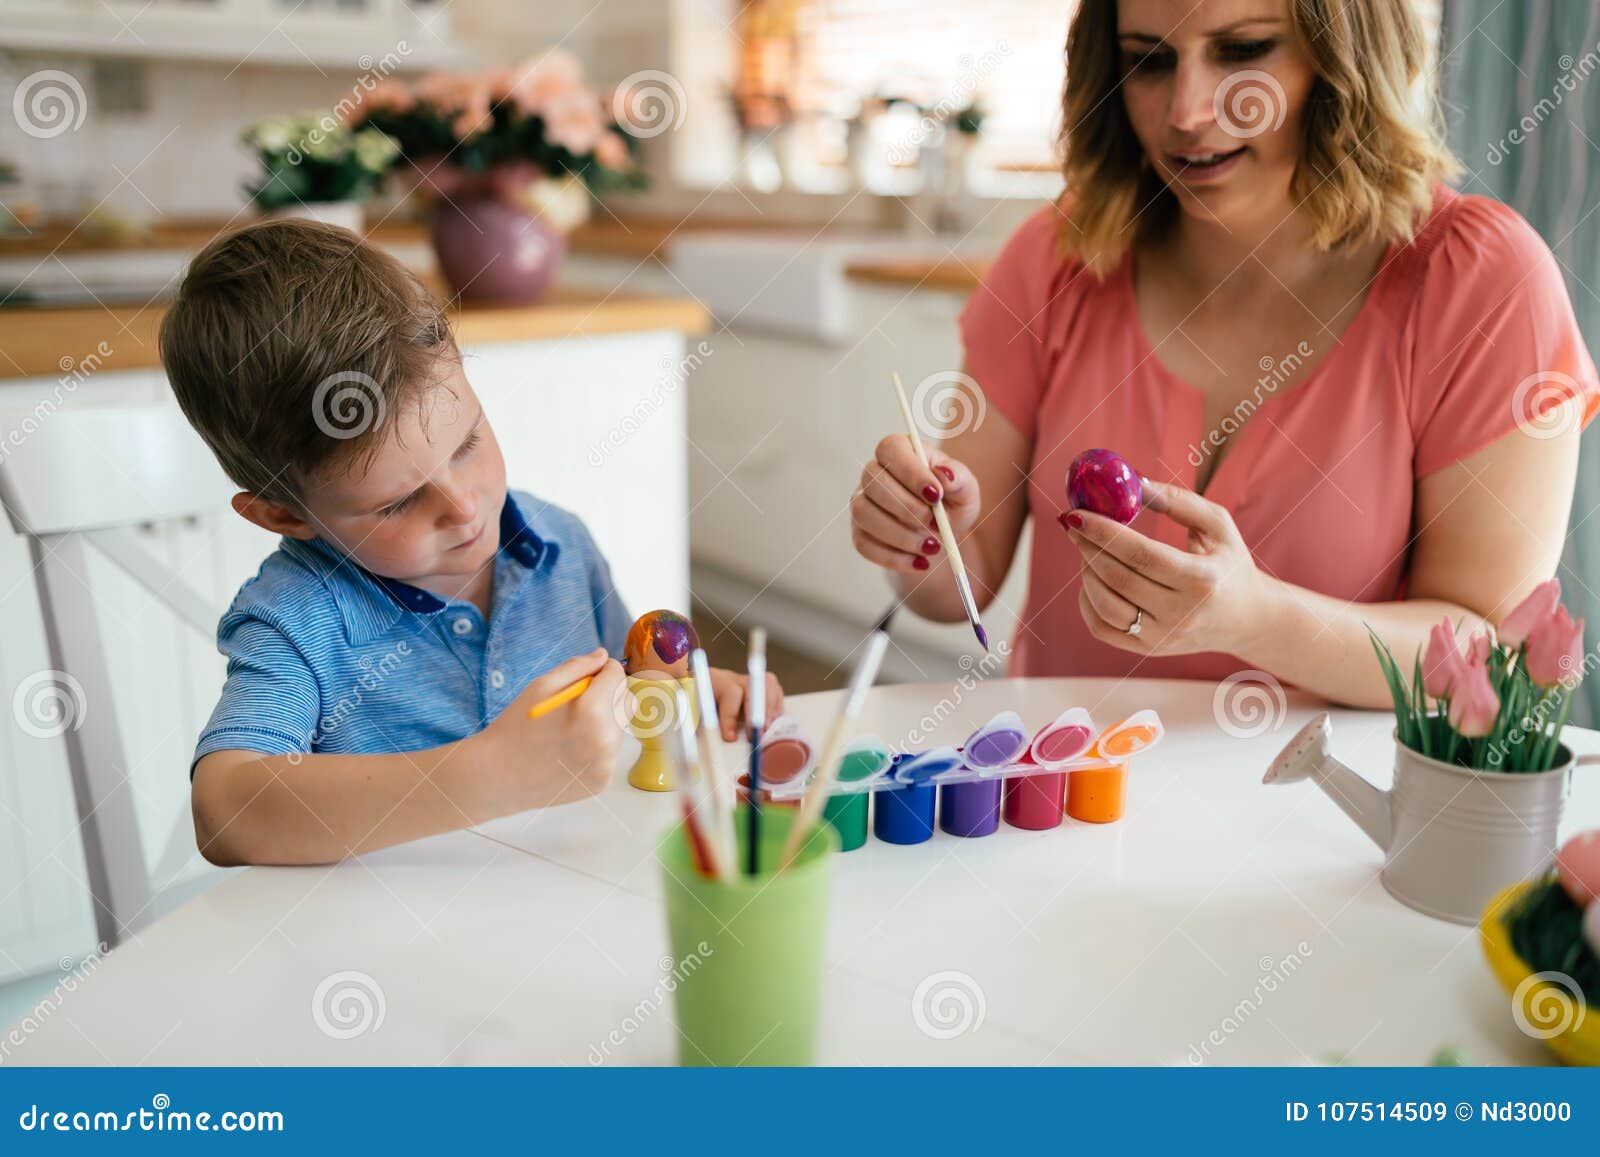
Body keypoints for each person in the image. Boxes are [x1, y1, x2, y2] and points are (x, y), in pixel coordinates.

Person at [850, 0, 1598, 706]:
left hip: (1332, 825)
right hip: (1067, 813)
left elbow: (1485, 652)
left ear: (1346, 54)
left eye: (1243, 50)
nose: (1187, 113)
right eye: (1148, 60)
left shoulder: (1482, 284)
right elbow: (959, 587)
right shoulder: (1057, 259)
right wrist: (917, 538)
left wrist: (1256, 618)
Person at [162, 220, 780, 865]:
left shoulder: (559, 543)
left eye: (466, 445)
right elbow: (225, 813)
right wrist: (488, 774)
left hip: (578, 902)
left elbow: (626, 689)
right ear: (286, 517)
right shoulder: (298, 619)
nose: (464, 507)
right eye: (397, 502)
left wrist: (688, 698)